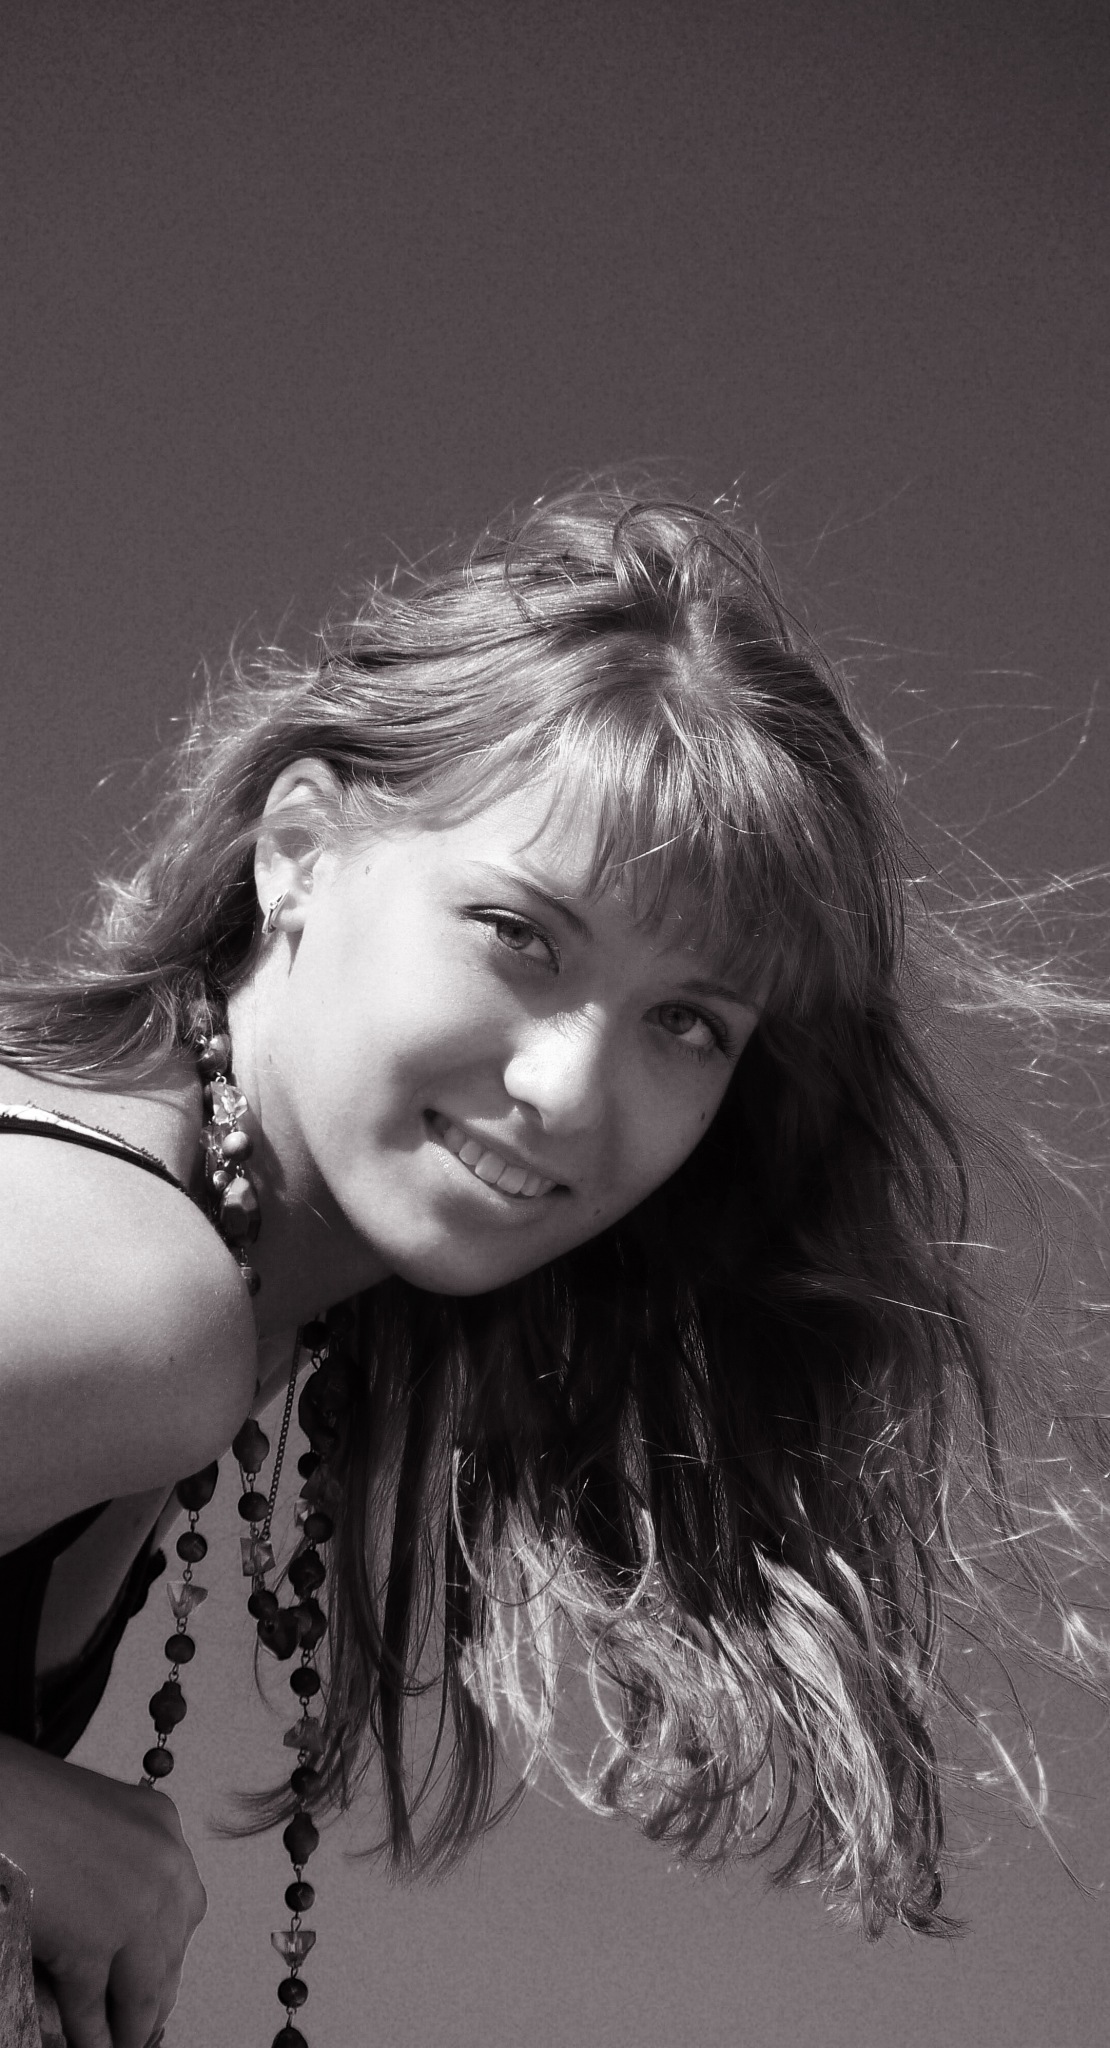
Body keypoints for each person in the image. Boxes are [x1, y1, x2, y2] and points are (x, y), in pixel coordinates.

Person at [0, 487, 1106, 2048]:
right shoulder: (119, 1275)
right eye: (520, 936)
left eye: (686, 1023)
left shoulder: (194, 1277)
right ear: (298, 852)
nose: (573, 1091)